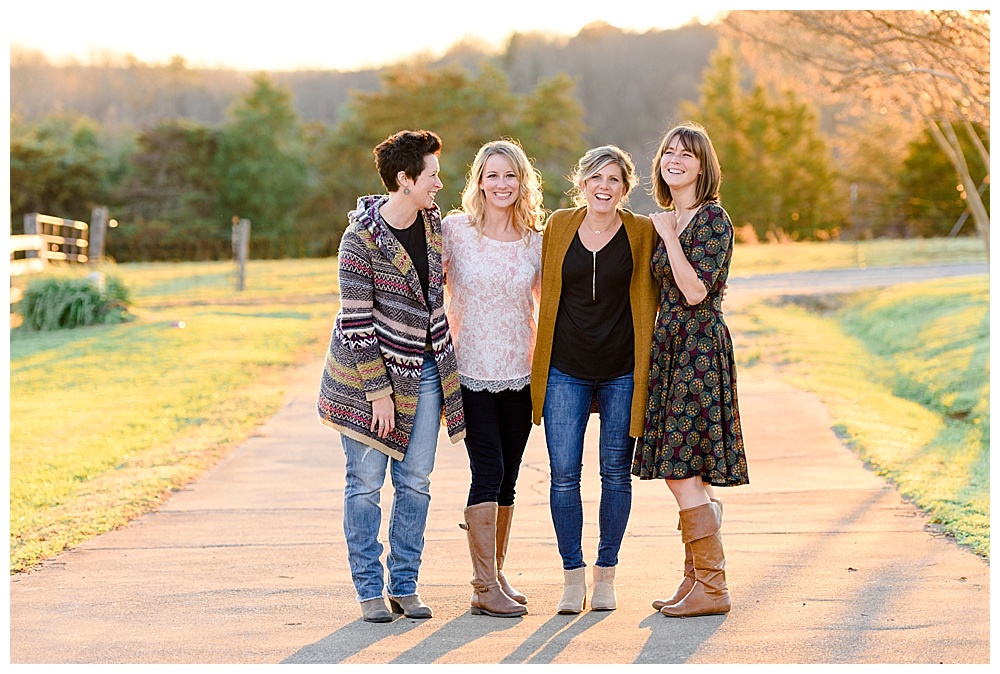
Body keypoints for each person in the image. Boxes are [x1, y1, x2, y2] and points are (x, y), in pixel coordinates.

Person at [317, 129, 466, 623]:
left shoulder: (432, 223)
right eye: (432, 175)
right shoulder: (359, 239)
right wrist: (379, 393)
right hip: (365, 380)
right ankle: (368, 590)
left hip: (423, 369)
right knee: (364, 482)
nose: (439, 184)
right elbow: (356, 322)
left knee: (415, 481)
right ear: (404, 180)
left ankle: (404, 584)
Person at [529, 145, 659, 614]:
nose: (604, 187)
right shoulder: (559, 225)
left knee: (614, 475)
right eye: (595, 178)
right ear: (581, 183)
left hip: (623, 369)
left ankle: (606, 576)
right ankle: (571, 578)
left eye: (614, 180)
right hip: (566, 368)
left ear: (625, 188)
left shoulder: (642, 231)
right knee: (564, 476)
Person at [632, 122, 749, 618]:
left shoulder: (713, 219)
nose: (673, 159)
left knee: (682, 471)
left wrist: (668, 237)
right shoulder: (670, 219)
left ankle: (714, 588)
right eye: (668, 152)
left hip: (700, 347)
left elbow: (696, 290)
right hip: (671, 347)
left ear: (703, 166)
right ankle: (695, 581)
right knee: (686, 470)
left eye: (686, 154)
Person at [441, 139, 545, 619]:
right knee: (489, 470)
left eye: (510, 176)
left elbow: (554, 306)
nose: (501, 184)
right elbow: (418, 283)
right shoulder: (455, 232)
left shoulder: (535, 241)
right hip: (469, 373)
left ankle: (496, 573)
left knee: (509, 479)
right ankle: (483, 586)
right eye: (492, 175)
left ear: (523, 182)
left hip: (520, 375)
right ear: (478, 181)